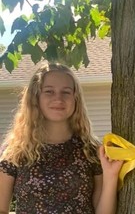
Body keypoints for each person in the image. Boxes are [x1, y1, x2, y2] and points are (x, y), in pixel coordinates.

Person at [0, 62, 123, 214]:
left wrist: (111, 177)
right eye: (49, 91)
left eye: (66, 92)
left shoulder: (92, 151)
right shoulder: (14, 152)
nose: (58, 98)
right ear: (35, 98)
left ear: (75, 98)